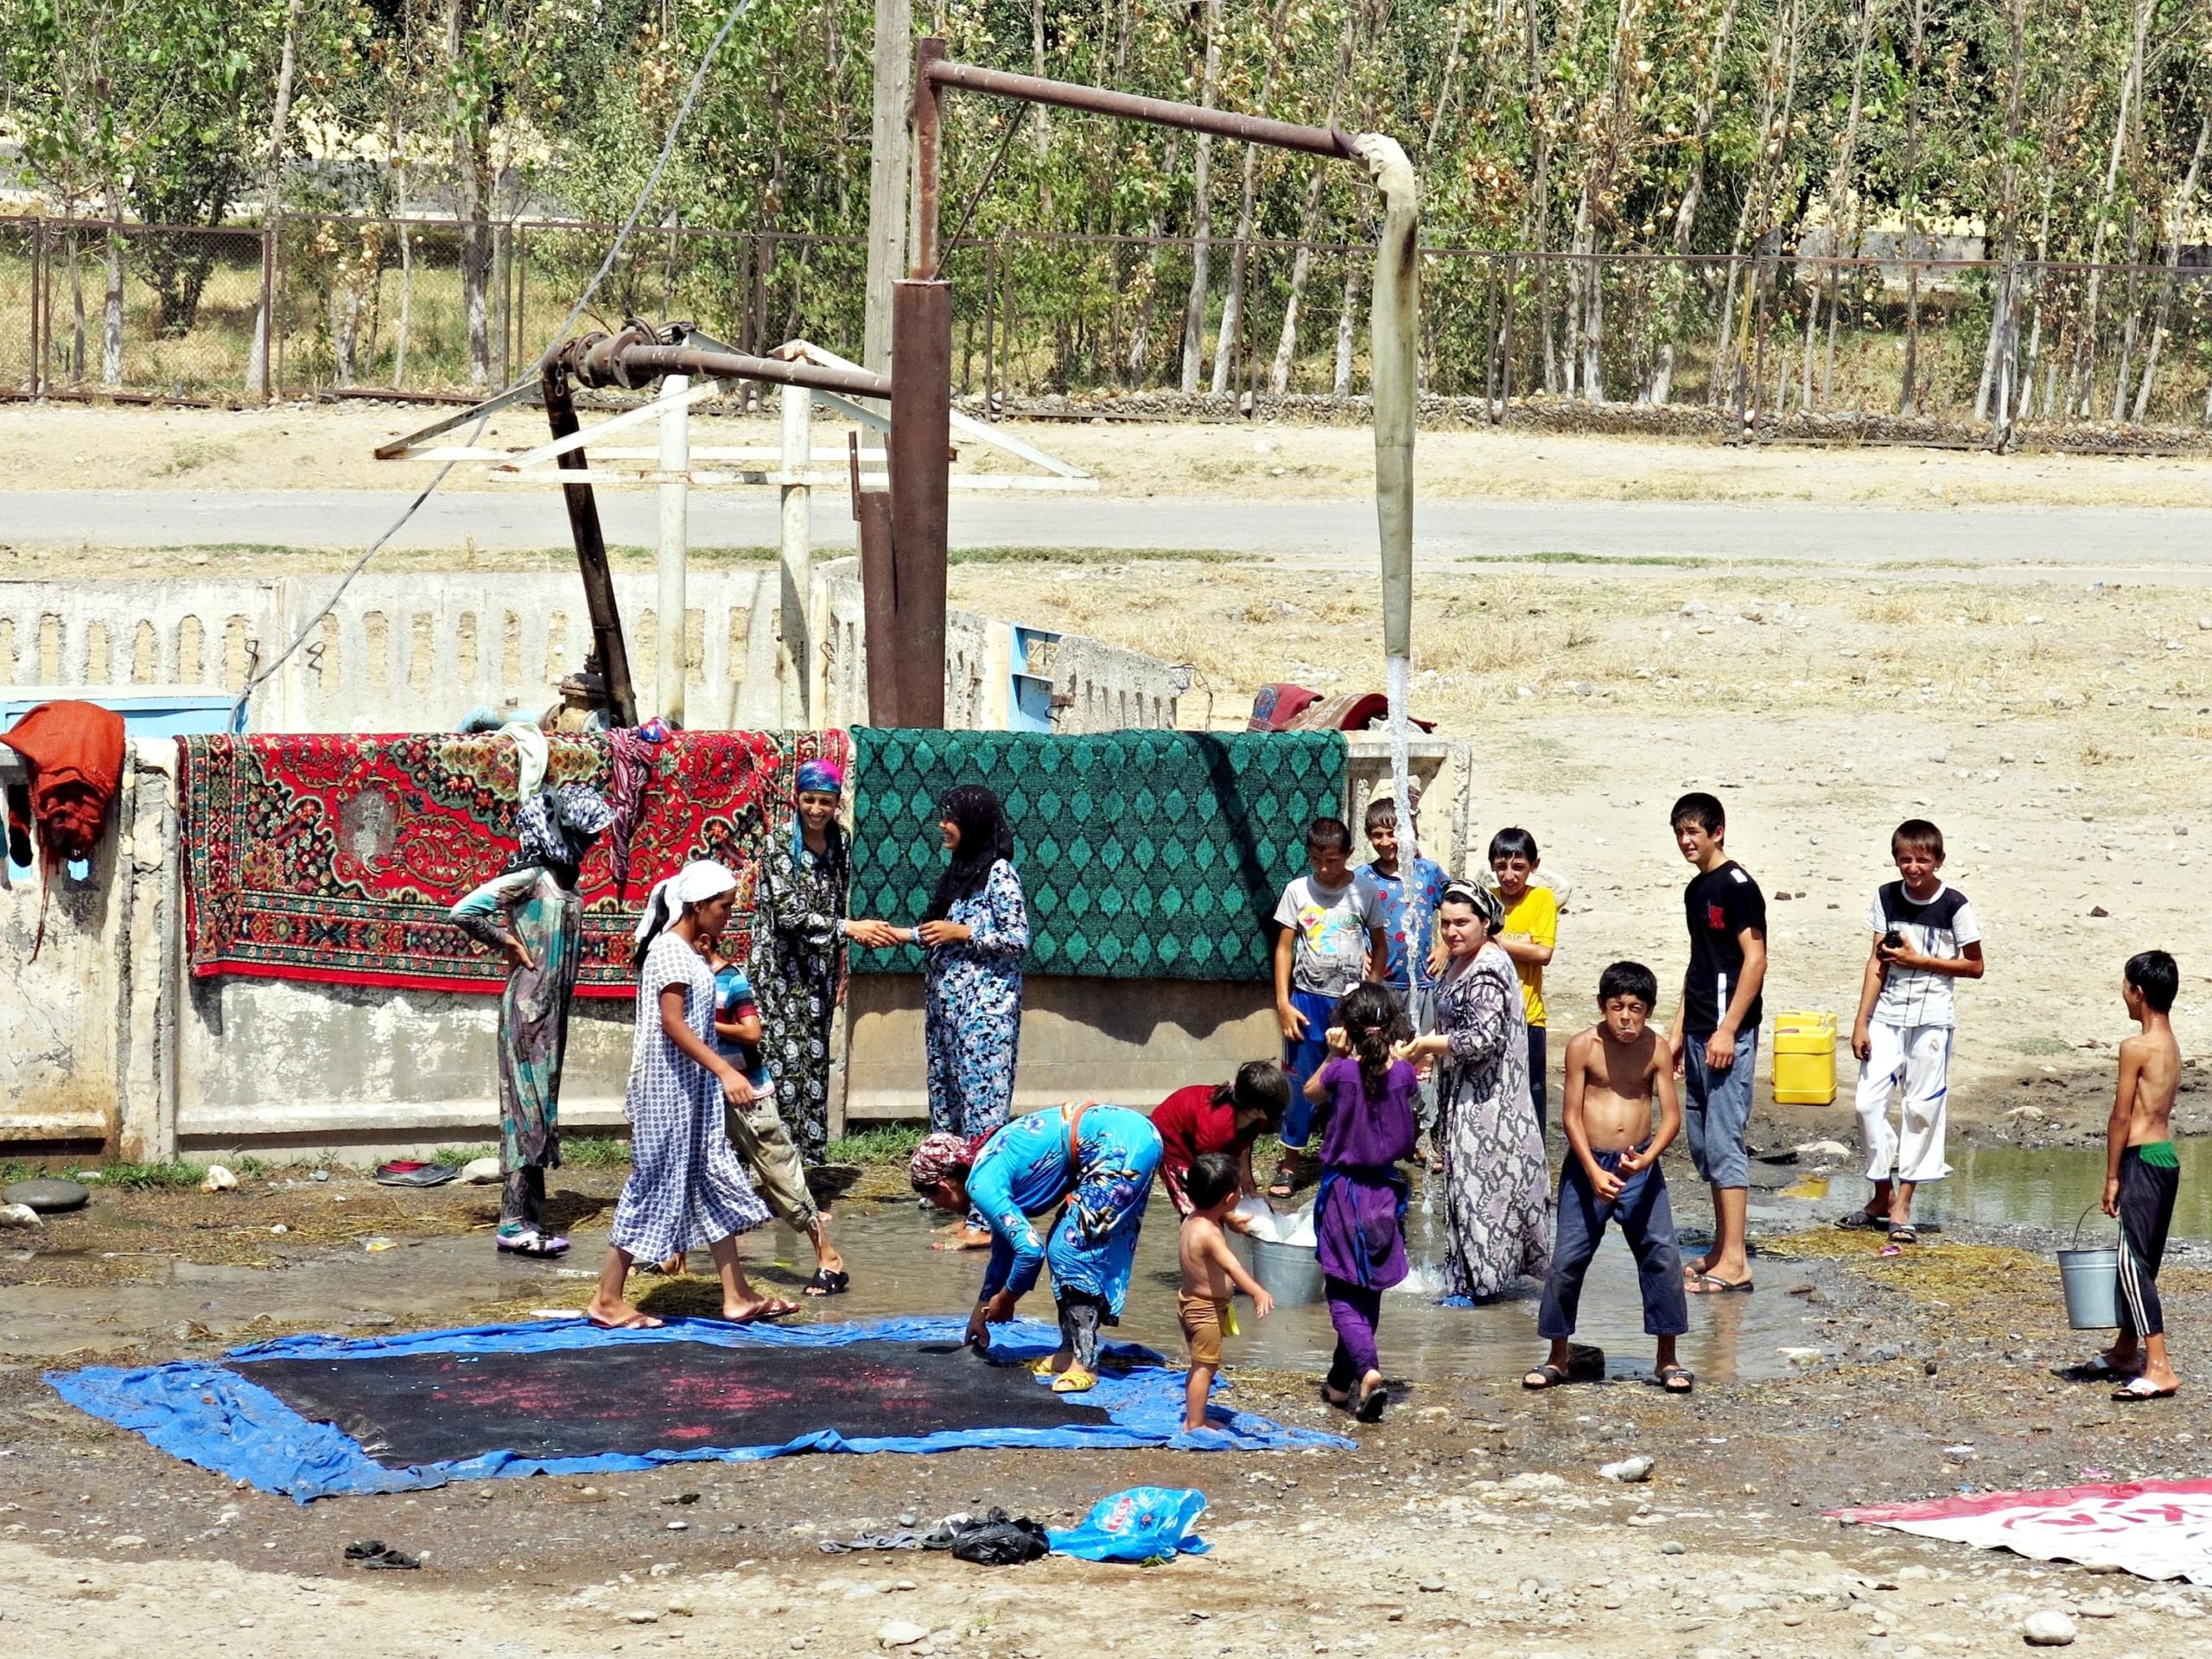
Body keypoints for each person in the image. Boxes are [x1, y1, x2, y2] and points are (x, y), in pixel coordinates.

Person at [585, 861, 786, 1331]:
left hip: (691, 1091)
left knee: (710, 1180)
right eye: (723, 908)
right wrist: (723, 1070)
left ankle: (736, 1295)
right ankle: (607, 1299)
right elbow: (672, 1024)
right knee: (651, 1186)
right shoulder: (670, 955)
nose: (727, 917)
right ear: (698, 906)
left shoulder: (690, 955)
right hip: (666, 1092)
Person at [450, 779, 615, 1259]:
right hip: (526, 1011)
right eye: (582, 836)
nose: (589, 845)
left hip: (551, 1012)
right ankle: (513, 1221)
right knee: (525, 1114)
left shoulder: (566, 881)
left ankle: (531, 1209)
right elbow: (464, 911)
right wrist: (505, 941)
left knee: (540, 1109)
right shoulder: (530, 877)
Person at [909, 1101, 1162, 1394]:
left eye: (934, 1199)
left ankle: (1085, 1364)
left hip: (1118, 1145)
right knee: (1064, 1242)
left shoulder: (981, 1183)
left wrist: (1007, 1299)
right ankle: (1069, 1350)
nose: (939, 1207)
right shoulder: (987, 1164)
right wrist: (980, 1312)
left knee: (1068, 1251)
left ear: (943, 1186)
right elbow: (1005, 1247)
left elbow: (1030, 1251)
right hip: (1128, 1134)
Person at [1525, 962, 1691, 1395]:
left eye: (1636, 1008)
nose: (1626, 1017)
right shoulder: (1583, 1046)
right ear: (1602, 1006)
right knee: (1567, 1261)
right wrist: (1594, 1170)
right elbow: (1570, 1116)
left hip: (1640, 1165)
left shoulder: (1656, 1049)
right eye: (1617, 1007)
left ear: (1649, 1010)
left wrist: (1648, 1158)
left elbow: (1670, 1118)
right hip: (1587, 1167)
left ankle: (1667, 1359)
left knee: (1662, 1256)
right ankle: (1557, 1357)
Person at [892, 784, 1030, 1249]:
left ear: (972, 823)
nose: (941, 826)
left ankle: (986, 1219)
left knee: (982, 1118)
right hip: (949, 1014)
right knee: (948, 1110)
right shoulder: (960, 873)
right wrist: (895, 934)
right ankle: (959, 1203)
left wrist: (962, 931)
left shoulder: (999, 873)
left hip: (984, 1019)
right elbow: (938, 932)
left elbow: (1016, 939)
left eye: (949, 817)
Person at [1839, 819, 1986, 1245]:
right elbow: (1876, 962)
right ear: (1896, 859)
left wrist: (1921, 961)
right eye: (1906, 859)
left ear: (1939, 860)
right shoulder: (1886, 897)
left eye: (1923, 859)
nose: (1914, 867)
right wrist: (1860, 1021)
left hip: (1932, 1020)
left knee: (1922, 1109)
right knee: (1868, 1104)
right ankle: (1881, 1193)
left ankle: (1903, 1205)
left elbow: (1975, 966)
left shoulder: (1954, 904)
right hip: (1886, 1015)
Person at [1402, 882, 1550, 1301]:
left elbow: (1482, 1038)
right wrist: (1429, 1053)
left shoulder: (1487, 967)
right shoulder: (1460, 961)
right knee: (1468, 1186)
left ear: (1486, 923)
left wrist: (1428, 1045)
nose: (1451, 932)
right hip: (1466, 1094)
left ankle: (1481, 1286)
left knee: (1481, 1190)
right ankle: (1474, 1278)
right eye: (1445, 924)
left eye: (1462, 923)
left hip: (1490, 1103)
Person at [748, 758, 899, 1164]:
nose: (816, 810)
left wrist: (842, 957)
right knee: (780, 1067)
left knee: (814, 1065)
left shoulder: (842, 842)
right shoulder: (779, 845)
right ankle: (772, 1169)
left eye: (825, 802)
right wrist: (849, 929)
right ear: (797, 799)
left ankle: (806, 1169)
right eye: (809, 800)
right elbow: (789, 916)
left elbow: (838, 899)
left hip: (819, 971)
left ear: (838, 803)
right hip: (778, 973)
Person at [1665, 791, 1766, 1295]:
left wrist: (1729, 1028)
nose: (1686, 841)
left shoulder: (1738, 886)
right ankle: (1722, 1248)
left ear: (1717, 832)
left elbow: (1755, 960)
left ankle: (1737, 1262)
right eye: (1680, 833)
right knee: (1703, 1143)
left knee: (1725, 1142)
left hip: (1729, 1033)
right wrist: (1678, 1030)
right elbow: (1699, 961)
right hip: (1700, 1028)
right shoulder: (1696, 889)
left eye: (1694, 833)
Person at [707, 937, 849, 1296]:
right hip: (706, 1092)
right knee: (692, 1170)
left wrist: (706, 1025)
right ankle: (671, 1256)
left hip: (746, 1091)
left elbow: (752, 1032)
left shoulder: (731, 980)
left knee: (779, 1173)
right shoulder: (684, 979)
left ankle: (828, 1257)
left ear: (704, 941)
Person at [1306, 983, 1421, 1421]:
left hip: (1344, 1193)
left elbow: (1313, 1092)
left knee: (1341, 1290)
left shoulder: (1342, 1073)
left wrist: (1335, 1053)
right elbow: (1397, 1075)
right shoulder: (1404, 1075)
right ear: (1390, 1026)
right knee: (1367, 1287)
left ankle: (1369, 1371)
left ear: (1346, 1030)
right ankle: (1340, 1384)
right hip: (1384, 1196)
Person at [1270, 816, 1385, 1198]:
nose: (1324, 868)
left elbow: (1379, 944)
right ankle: (1290, 1163)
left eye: (1333, 860)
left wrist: (1370, 996)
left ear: (1349, 854)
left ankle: (1342, 1159)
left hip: (1349, 1005)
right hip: (1305, 1001)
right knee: (1300, 1084)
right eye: (1317, 859)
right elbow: (1284, 948)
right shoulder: (1297, 891)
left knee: (1349, 1081)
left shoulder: (1365, 891)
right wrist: (1284, 1004)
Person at [2100, 950, 2183, 1402]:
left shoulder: (2136, 1047)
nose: (2124, 995)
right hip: (2166, 1157)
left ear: (2140, 992)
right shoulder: (2171, 1045)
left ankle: (2159, 1366)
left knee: (2131, 1265)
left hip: (2141, 1159)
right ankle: (2124, 1351)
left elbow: (2120, 1117)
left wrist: (2112, 1176)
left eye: (2126, 986)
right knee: (2144, 1261)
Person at [1361, 795, 1449, 1157]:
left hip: (1423, 983)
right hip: (1383, 984)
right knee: (1379, 1055)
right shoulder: (1364, 878)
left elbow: (1456, 905)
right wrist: (1363, 951)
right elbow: (1355, 918)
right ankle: (1380, 1128)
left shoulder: (1428, 872)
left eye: (1392, 833)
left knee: (1423, 1057)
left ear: (1408, 832)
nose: (1386, 842)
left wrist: (1444, 944)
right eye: (1377, 835)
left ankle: (1423, 1134)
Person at [1179, 1152, 1275, 1432]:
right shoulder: (1209, 1233)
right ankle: (1194, 1423)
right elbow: (1232, 1266)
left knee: (1200, 1364)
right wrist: (1257, 1291)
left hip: (1190, 1303)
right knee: (1205, 1368)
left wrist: (1230, 1219)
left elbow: (1216, 1213)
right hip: (1204, 1310)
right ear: (1230, 1198)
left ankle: (1193, 1414)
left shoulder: (1192, 1218)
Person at [1490, 827, 1560, 1136]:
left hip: (1529, 1017)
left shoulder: (1541, 898)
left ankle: (1536, 1154)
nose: (1509, 875)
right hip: (1492, 1015)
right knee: (1494, 1089)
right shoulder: (1488, 901)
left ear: (1534, 865)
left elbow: (1543, 952)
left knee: (1532, 1090)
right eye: (1501, 867)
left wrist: (1493, 941)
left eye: (1518, 867)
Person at [1151, 1062, 1291, 1216]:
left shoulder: (1257, 1119)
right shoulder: (1218, 1128)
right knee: (1197, 1209)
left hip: (1202, 1140)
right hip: (1172, 1139)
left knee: (1221, 1205)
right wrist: (1227, 1214)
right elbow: (1208, 1175)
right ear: (1253, 1109)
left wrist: (1248, 1187)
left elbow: (1242, 1147)